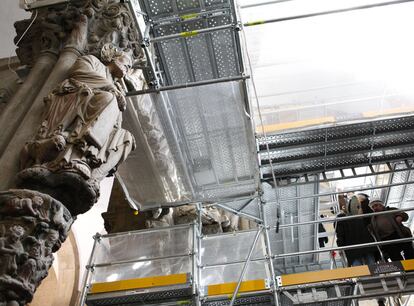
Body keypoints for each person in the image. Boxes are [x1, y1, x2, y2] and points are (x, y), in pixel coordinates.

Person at [336, 195, 379, 266]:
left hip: (352, 247)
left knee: (362, 269)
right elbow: (340, 234)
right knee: (372, 267)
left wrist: (340, 247)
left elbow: (340, 234)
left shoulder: (344, 218)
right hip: (364, 244)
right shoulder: (357, 216)